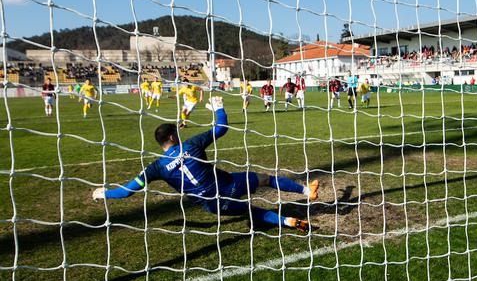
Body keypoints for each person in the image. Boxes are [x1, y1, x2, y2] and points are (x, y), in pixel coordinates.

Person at [92, 97, 319, 231]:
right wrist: (218, 106)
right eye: (176, 131)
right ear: (172, 137)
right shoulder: (191, 145)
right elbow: (222, 128)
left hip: (212, 205)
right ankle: (307, 191)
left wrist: (105, 194)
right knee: (265, 179)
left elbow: (127, 192)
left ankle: (288, 222)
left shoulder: (156, 167)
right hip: (228, 186)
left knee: (251, 211)